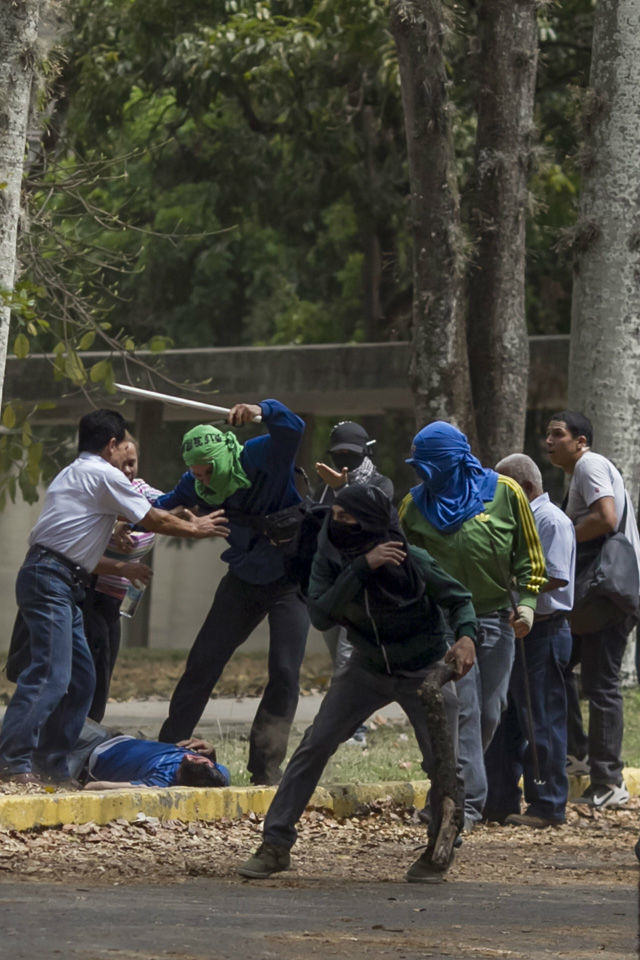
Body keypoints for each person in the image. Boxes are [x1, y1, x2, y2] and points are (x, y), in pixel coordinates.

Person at [238, 484, 477, 883]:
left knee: (443, 763)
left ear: (370, 521)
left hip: (422, 670)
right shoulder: (328, 561)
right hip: (365, 669)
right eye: (334, 513)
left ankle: (440, 848)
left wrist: (467, 635)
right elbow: (321, 615)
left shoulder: (412, 559)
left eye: (348, 515)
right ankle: (275, 844)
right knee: (315, 746)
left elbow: (459, 598)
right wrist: (361, 567)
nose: (337, 521)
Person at [0, 409, 228, 786]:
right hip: (49, 577)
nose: (129, 458)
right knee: (50, 675)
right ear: (112, 444)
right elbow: (153, 518)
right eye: (126, 447)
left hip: (62, 581)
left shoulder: (83, 472)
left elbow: (154, 506)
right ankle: (12, 761)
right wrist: (197, 528)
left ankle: (51, 764)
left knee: (82, 679)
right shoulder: (100, 473)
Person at [399, 421, 546, 831]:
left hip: (497, 619)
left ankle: (445, 791)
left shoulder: (504, 492)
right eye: (419, 465)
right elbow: (404, 568)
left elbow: (528, 553)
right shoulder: (413, 506)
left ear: (456, 460)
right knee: (461, 711)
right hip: (445, 623)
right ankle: (463, 806)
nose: (424, 474)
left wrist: (529, 604)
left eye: (433, 465)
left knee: (489, 712)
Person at [155, 399, 310, 786]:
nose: (202, 483)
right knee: (203, 663)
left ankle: (266, 766)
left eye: (207, 473)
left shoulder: (261, 454)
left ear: (221, 459)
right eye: (196, 475)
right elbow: (159, 507)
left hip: (290, 578)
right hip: (243, 578)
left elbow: (294, 426)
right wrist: (124, 520)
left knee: (285, 672)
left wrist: (261, 410)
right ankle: (166, 753)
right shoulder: (194, 483)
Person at [546, 410, 640, 809]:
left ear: (580, 441)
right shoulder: (579, 473)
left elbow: (606, 518)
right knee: (558, 668)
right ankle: (579, 756)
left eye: (557, 435)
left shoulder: (589, 464)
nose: (549, 442)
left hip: (607, 597)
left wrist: (560, 536)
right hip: (594, 597)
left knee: (601, 685)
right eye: (546, 436)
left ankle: (609, 781)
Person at [483, 454, 575, 828]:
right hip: (517, 627)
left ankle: (548, 804)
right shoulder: (520, 519)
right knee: (506, 719)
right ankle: (499, 799)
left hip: (544, 630)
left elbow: (553, 576)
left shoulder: (549, 520)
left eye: (506, 490)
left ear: (526, 488)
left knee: (541, 718)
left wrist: (509, 586)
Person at [315, 420, 394, 745]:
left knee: (348, 660)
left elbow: (371, 517)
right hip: (333, 585)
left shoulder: (381, 483)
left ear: (366, 452)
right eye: (338, 454)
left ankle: (353, 732)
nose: (344, 461)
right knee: (340, 657)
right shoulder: (325, 485)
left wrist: (341, 490)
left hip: (363, 587)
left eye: (351, 454)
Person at [83, 439, 162, 722]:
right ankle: (74, 737)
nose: (128, 470)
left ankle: (90, 737)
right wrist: (115, 525)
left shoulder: (140, 490)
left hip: (116, 599)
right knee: (88, 669)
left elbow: (167, 506)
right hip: (88, 593)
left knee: (104, 667)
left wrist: (133, 520)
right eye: (122, 463)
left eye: (133, 463)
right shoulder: (100, 490)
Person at [69, 722, 230, 789]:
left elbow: (93, 788)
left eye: (182, 766)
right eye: (195, 757)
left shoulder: (158, 783)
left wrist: (136, 789)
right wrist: (211, 750)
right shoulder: (221, 774)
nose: (187, 756)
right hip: (113, 738)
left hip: (88, 754)